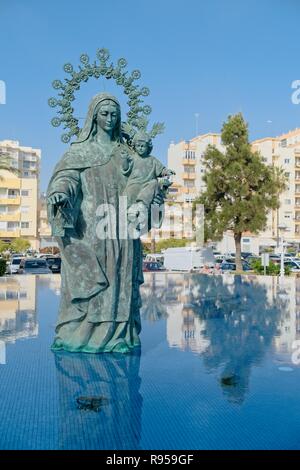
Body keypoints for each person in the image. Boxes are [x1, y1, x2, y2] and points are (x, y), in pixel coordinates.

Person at [47, 92, 164, 353]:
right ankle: (80, 333)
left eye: (114, 114)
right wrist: (61, 193)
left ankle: (120, 335)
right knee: (95, 276)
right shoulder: (79, 152)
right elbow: (66, 178)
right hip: (90, 225)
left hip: (121, 224)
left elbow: (145, 178)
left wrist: (150, 194)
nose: (110, 119)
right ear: (94, 117)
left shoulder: (128, 152)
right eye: (104, 113)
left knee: (120, 277)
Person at [120, 131, 175, 222]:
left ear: (148, 147)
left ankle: (141, 205)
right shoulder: (132, 158)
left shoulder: (152, 160)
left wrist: (167, 172)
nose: (140, 148)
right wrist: (124, 160)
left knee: (154, 183)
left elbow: (161, 170)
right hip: (134, 185)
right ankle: (130, 212)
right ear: (134, 146)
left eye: (143, 146)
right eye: (138, 146)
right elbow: (125, 170)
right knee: (127, 195)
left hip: (147, 187)